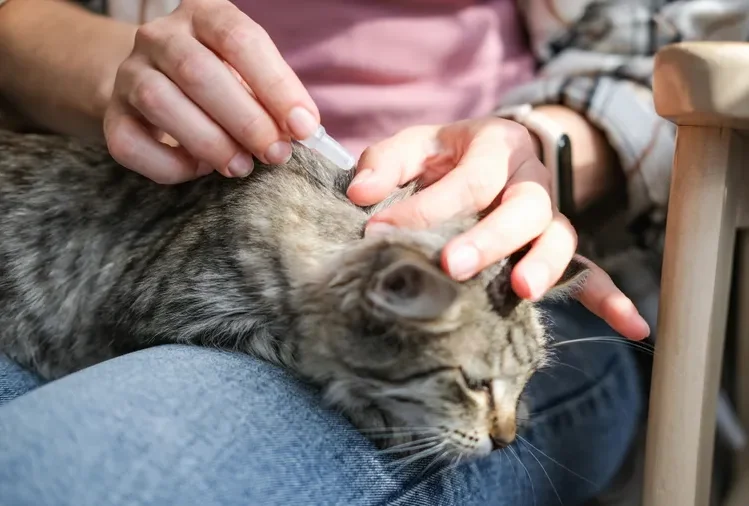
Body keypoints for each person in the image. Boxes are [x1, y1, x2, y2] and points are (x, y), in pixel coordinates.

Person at [1, 0, 745, 504]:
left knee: (70, 471)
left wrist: (548, 143)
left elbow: (699, 52)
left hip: (515, 250)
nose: (502, 432)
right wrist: (107, 66)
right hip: (150, 230)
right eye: (491, 403)